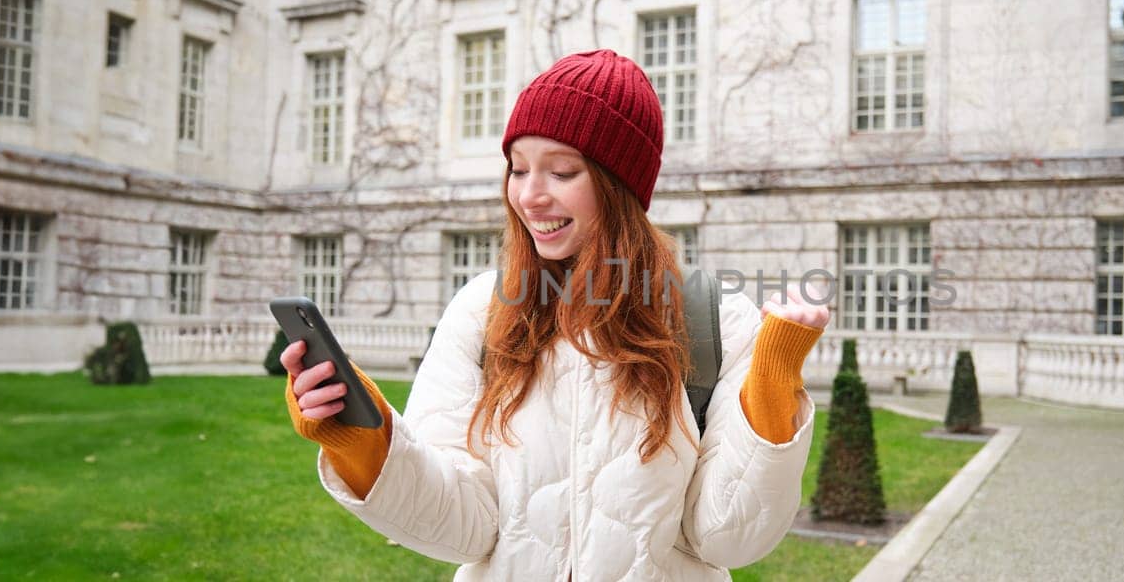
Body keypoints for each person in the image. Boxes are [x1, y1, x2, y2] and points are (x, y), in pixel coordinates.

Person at [279, 49, 828, 580]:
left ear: (620, 188)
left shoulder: (713, 319)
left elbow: (728, 536)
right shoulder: (481, 311)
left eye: (562, 172)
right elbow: (462, 529)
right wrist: (361, 438)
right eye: (518, 170)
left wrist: (774, 386)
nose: (530, 196)